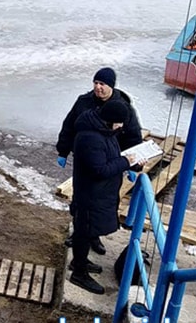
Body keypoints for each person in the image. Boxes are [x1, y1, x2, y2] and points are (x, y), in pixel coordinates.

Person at [57, 67, 144, 255]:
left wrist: (133, 163)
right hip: (89, 158)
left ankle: (93, 236)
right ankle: (80, 234)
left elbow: (133, 136)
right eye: (95, 83)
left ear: (111, 86)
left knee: (104, 200)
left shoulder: (122, 107)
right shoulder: (84, 102)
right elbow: (69, 126)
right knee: (82, 199)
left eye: (102, 84)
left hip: (112, 159)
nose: (98, 88)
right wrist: (63, 151)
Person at [68, 101, 143, 295]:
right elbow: (100, 170)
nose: (121, 127)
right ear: (109, 121)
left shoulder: (103, 133)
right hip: (90, 193)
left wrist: (132, 163)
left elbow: (111, 157)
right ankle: (79, 272)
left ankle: (80, 262)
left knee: (87, 229)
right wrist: (125, 161)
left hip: (99, 193)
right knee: (84, 230)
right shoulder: (90, 137)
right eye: (119, 123)